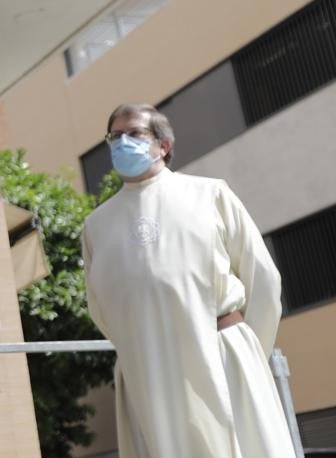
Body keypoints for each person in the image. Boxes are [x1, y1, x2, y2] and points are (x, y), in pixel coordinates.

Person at [82, 103, 293, 457]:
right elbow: (100, 306)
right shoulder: (96, 226)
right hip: (150, 372)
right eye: (114, 136)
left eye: (134, 133)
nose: (122, 143)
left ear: (164, 145)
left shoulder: (210, 194)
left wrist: (244, 349)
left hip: (223, 352)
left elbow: (262, 279)